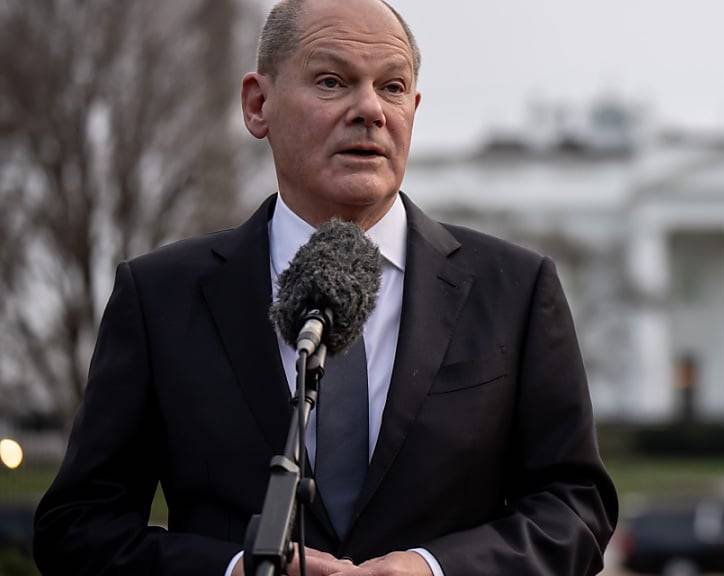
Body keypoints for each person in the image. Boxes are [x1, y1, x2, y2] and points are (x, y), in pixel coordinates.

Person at [32, 0, 618, 575]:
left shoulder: (515, 290)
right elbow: (77, 527)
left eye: (392, 87)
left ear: (413, 110)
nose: (370, 110)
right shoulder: (161, 296)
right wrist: (235, 569)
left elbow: (575, 509)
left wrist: (433, 569)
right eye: (333, 82)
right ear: (258, 105)